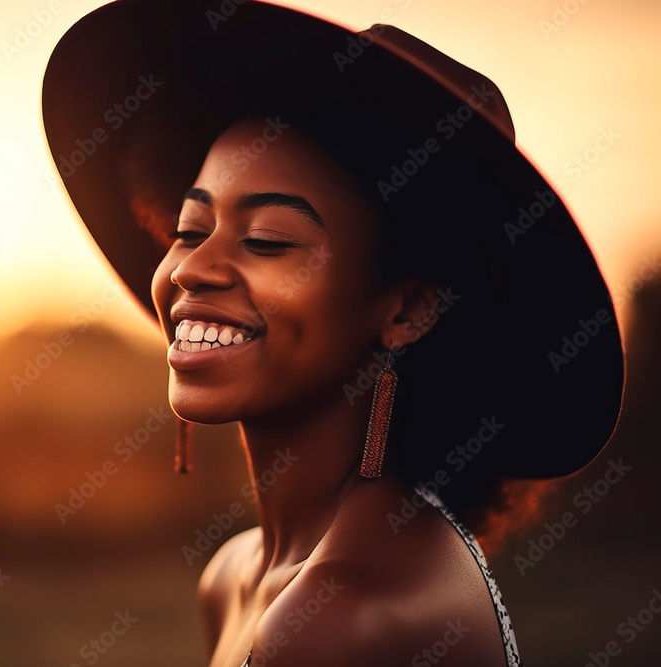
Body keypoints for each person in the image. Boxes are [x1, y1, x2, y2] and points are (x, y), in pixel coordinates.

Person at [41, 2, 625, 665]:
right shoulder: (236, 573)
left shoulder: (346, 612)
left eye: (266, 240)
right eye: (189, 230)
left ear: (407, 310)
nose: (194, 270)